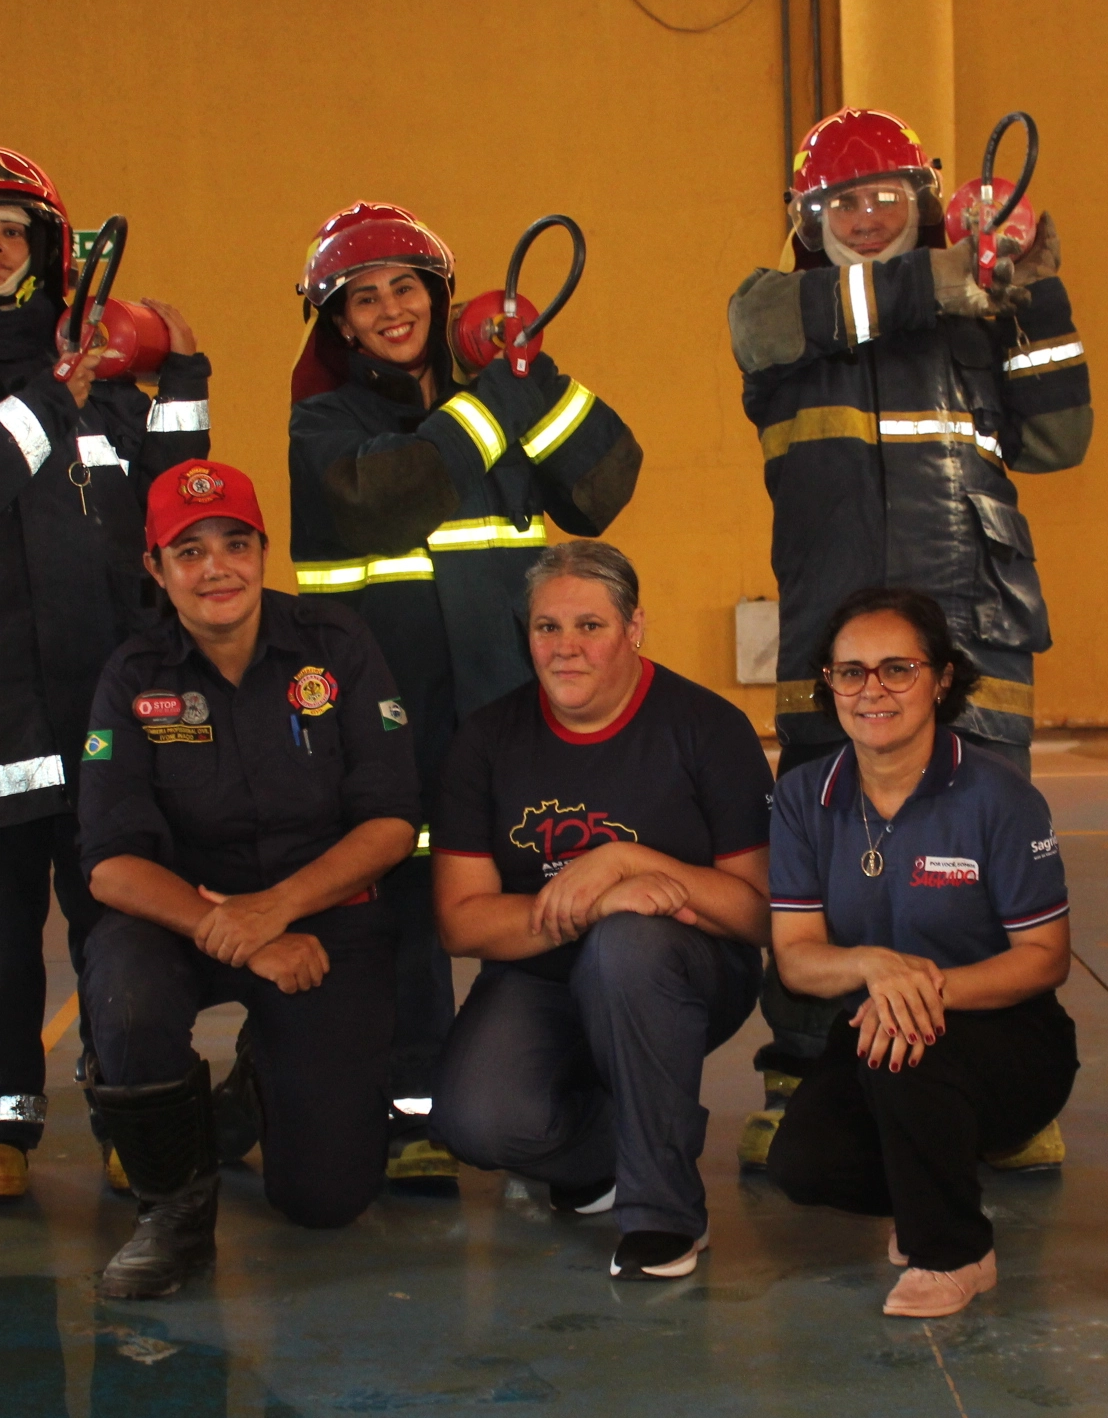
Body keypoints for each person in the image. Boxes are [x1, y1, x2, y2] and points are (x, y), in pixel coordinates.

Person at [727, 108, 1091, 1167]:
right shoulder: (776, 309)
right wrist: (958, 276)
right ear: (807, 217)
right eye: (841, 200)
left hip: (978, 626)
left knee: (979, 857)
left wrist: (1033, 285)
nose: (868, 215)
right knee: (821, 859)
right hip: (832, 637)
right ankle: (802, 1074)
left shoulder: (981, 310)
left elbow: (1063, 437)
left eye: (888, 194)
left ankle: (993, 1086)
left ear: (925, 202)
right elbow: (799, 324)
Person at [0, 141, 213, 1201]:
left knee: (120, 928)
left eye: (14, 233)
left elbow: (174, 496)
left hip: (105, 705)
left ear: (50, 251)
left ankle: (129, 1105)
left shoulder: (105, 382)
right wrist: (55, 396)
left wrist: (181, 381)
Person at [288, 202, 644, 1183]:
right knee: (403, 917)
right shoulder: (324, 425)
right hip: (388, 716)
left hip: (510, 714)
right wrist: (493, 402)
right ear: (340, 325)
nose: (391, 310)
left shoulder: (509, 391)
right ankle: (410, 1120)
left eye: (407, 287)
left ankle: (555, 1103)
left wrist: (540, 375)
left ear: (441, 298)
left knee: (539, 907)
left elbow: (607, 484)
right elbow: (389, 493)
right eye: (365, 298)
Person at [73, 461, 420, 1299]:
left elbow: (392, 822)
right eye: (188, 551)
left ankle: (257, 1080)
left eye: (235, 542)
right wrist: (234, 933)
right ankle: (172, 1214)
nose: (216, 567)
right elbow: (111, 866)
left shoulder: (338, 650)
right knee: (122, 988)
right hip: (182, 921)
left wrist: (276, 911)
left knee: (326, 1200)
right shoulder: (133, 676)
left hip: (320, 919)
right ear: (156, 569)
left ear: (265, 552)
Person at [428, 542, 768, 1281]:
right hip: (541, 976)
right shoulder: (487, 741)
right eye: (547, 628)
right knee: (476, 1121)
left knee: (627, 948)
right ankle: (618, 1141)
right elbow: (461, 922)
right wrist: (593, 902)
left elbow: (755, 913)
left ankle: (665, 1216)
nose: (566, 648)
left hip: (683, 971)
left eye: (590, 625)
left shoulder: (707, 729)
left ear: (635, 627)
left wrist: (630, 863)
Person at [763, 586, 1075, 1318]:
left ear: (940, 679)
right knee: (801, 1166)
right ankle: (930, 1180)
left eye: (897, 669)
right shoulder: (806, 798)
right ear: (829, 685)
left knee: (910, 1049)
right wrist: (875, 967)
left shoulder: (1000, 797)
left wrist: (923, 992)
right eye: (851, 672)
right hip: (873, 1030)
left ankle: (956, 1251)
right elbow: (799, 958)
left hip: (1006, 1033)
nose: (872, 689)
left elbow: (1044, 957)